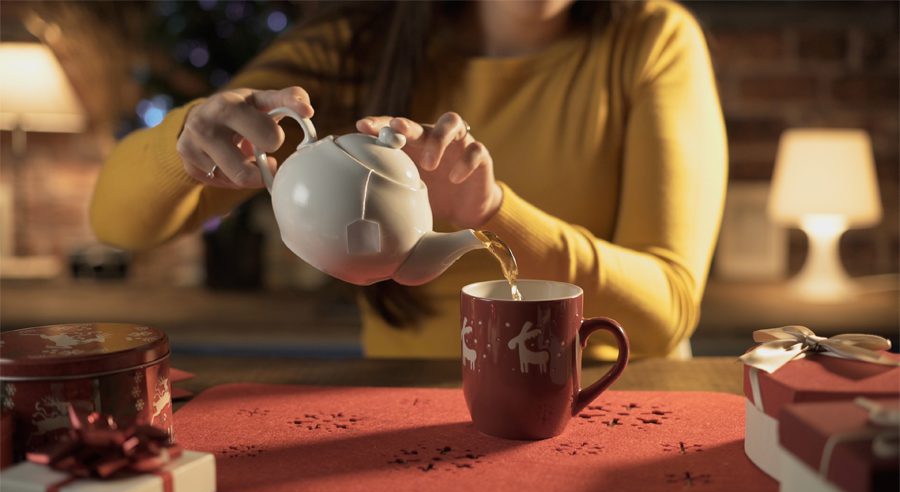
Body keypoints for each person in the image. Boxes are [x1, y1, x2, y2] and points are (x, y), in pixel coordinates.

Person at [91, 0, 727, 361]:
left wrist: (493, 210)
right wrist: (187, 141)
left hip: (602, 400)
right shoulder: (357, 44)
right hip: (396, 401)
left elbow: (665, 313)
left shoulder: (651, 39)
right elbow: (114, 221)